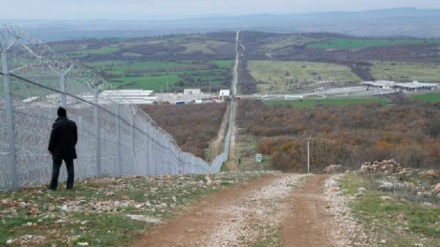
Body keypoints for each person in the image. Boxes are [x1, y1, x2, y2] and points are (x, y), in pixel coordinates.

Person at [47, 106, 78, 190]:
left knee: (56, 168)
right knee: (70, 167)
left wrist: (50, 148)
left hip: (58, 150)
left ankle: (53, 187)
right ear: (65, 113)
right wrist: (72, 145)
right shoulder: (73, 124)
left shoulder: (56, 124)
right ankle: (69, 186)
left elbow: (53, 138)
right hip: (69, 149)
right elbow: (75, 137)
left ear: (58, 114)